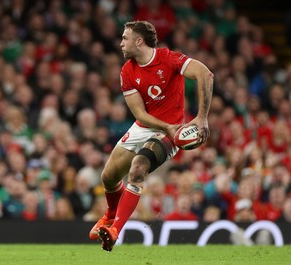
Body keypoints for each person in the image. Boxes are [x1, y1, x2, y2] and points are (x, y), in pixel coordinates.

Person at [88, 20, 214, 251]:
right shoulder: (127, 70)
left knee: (138, 168)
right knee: (108, 177)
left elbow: (205, 74)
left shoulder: (168, 59)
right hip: (147, 126)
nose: (121, 43)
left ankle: (115, 229)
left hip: (172, 131)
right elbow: (139, 114)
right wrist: (165, 127)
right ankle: (109, 215)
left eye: (125, 38)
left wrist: (201, 117)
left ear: (139, 41)